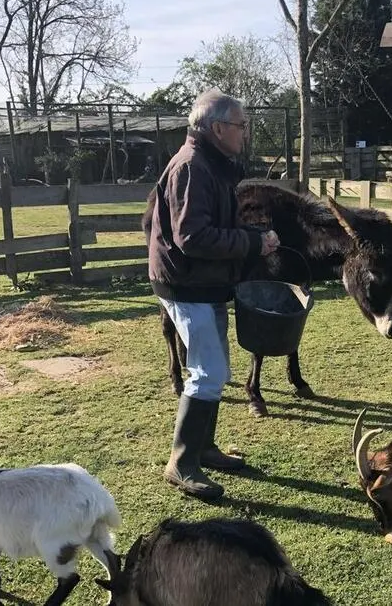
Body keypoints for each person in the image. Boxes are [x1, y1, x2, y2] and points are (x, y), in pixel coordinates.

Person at [146, 89, 279, 500]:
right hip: (187, 283)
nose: (245, 132)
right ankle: (182, 463)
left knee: (215, 370)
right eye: (241, 125)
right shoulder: (192, 167)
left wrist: (253, 237)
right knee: (207, 372)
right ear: (218, 128)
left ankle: (203, 448)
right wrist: (253, 244)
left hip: (203, 282)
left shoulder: (210, 164)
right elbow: (193, 237)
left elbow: (213, 224)